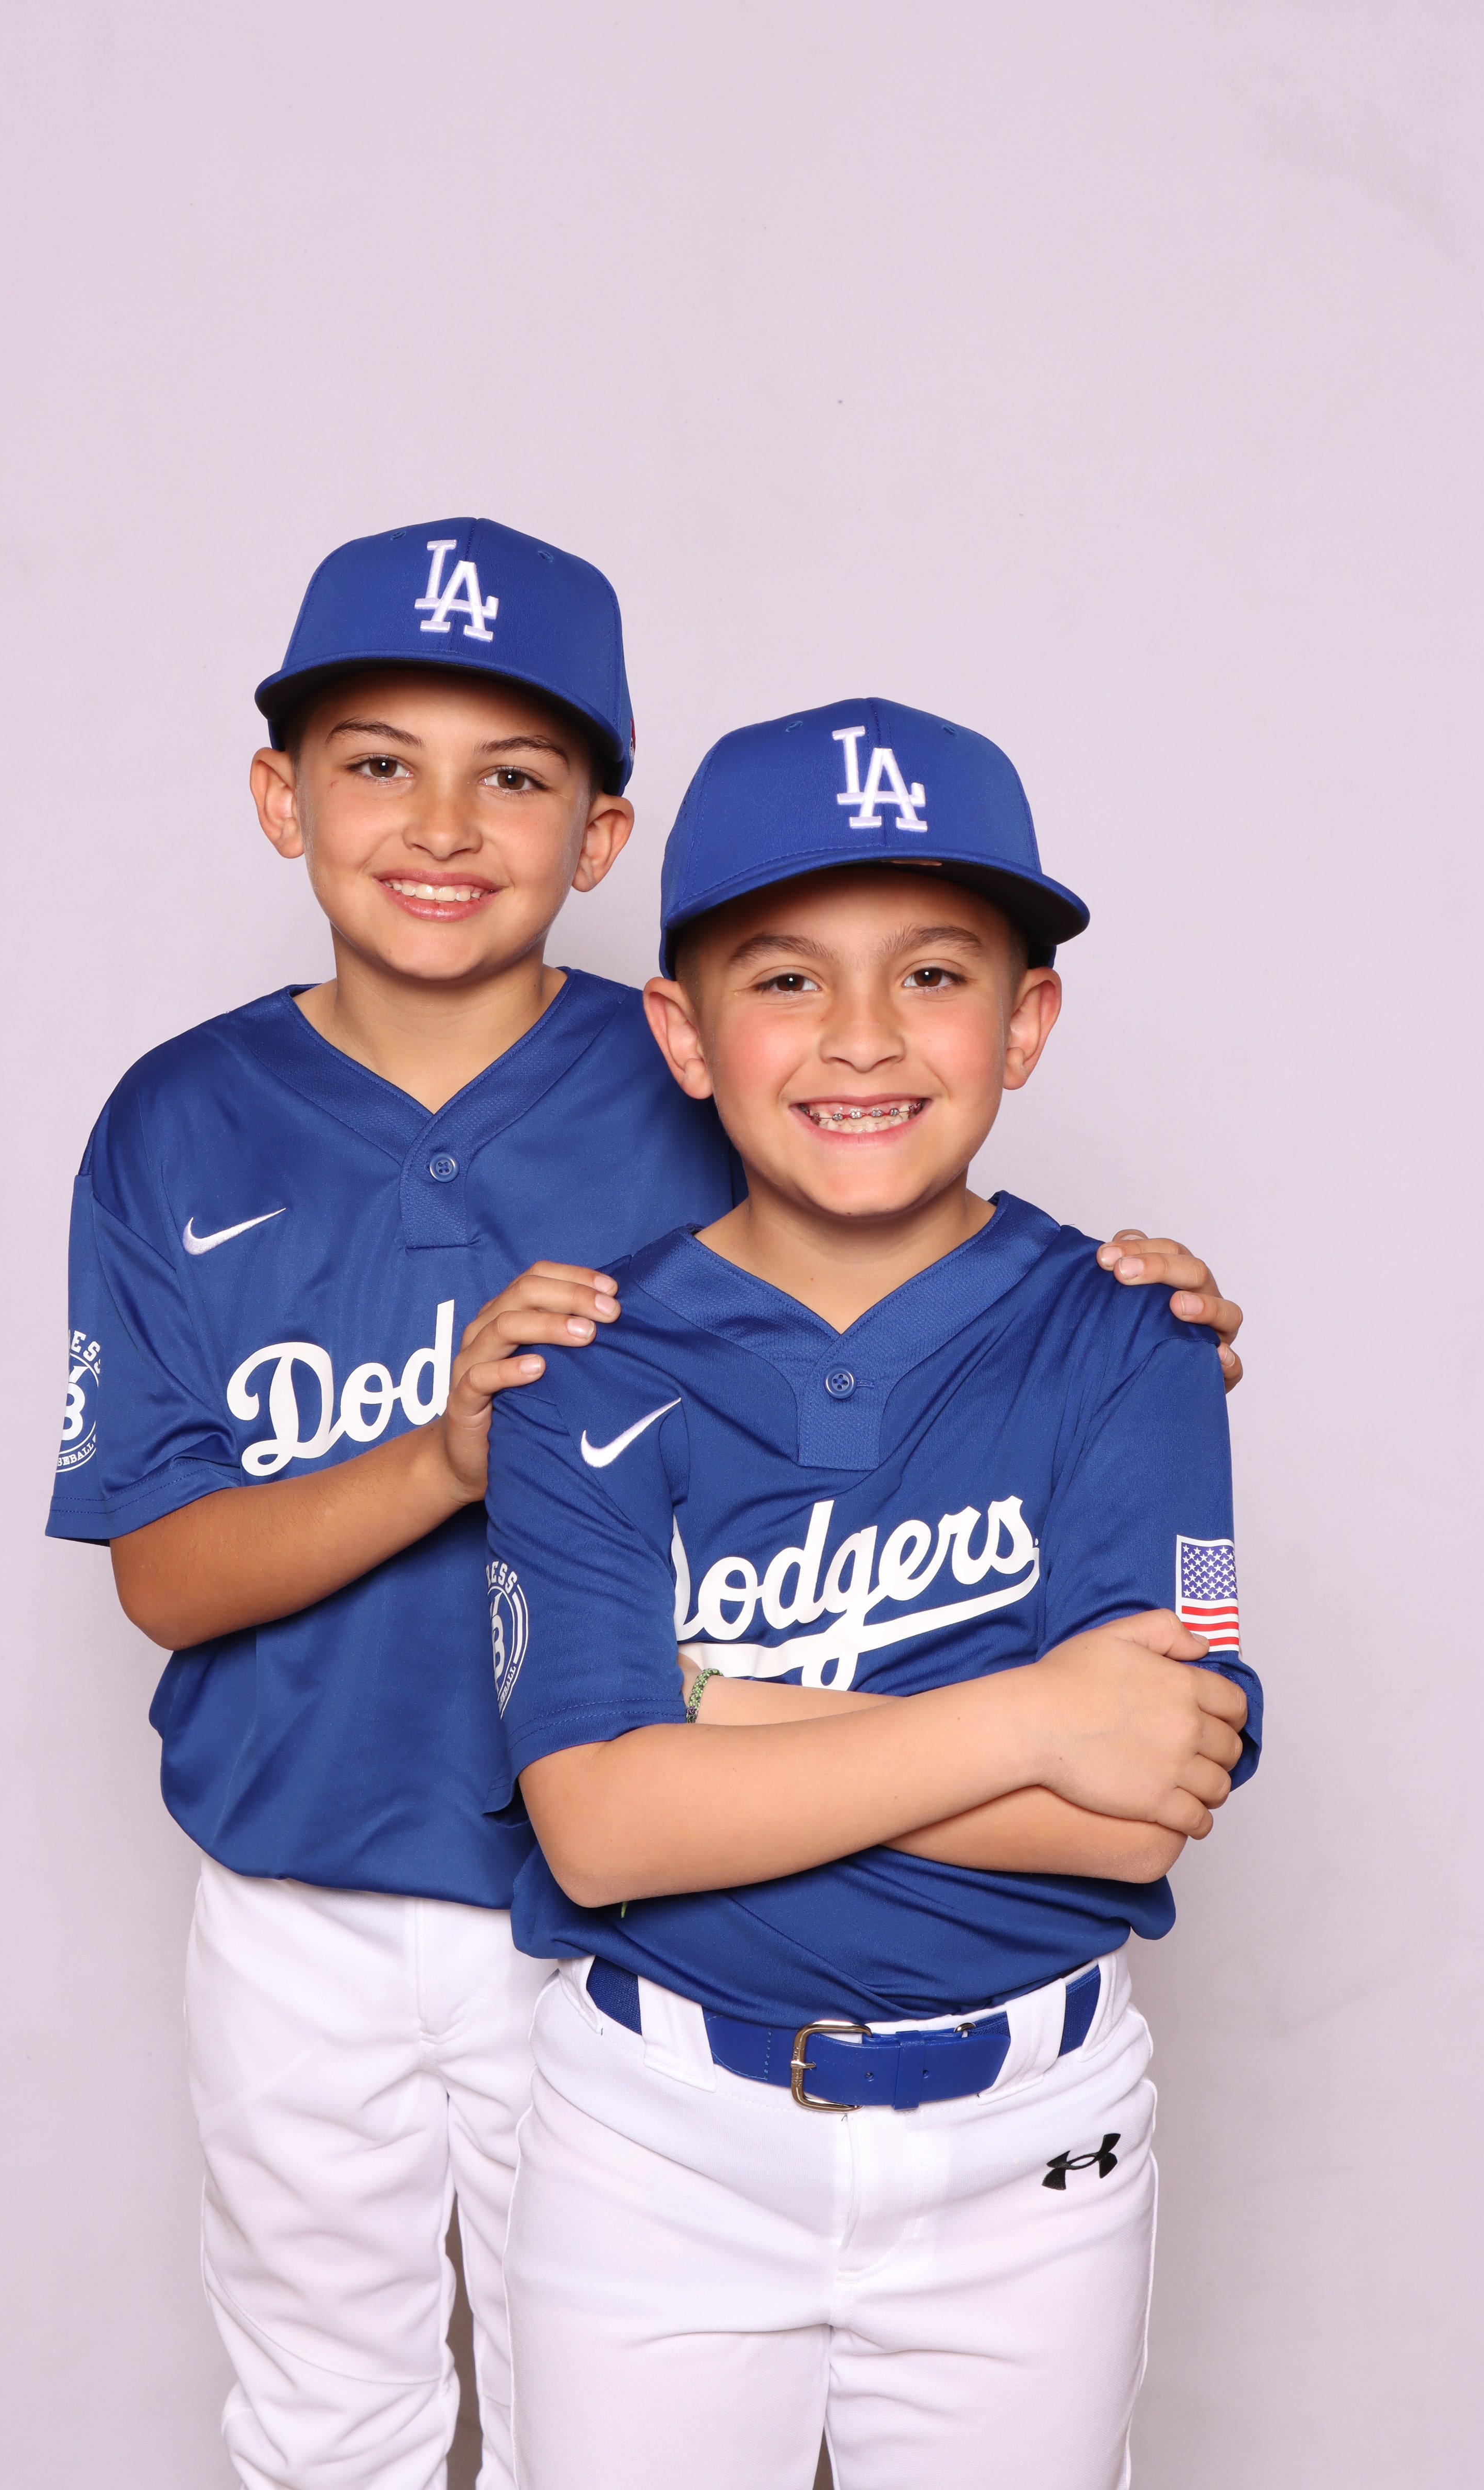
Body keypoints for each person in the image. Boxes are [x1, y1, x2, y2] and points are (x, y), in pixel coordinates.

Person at [47, 525, 1247, 2490]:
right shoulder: (183, 1119)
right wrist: (451, 1460)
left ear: (603, 832)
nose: (446, 825)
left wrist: (1127, 1325)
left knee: (567, 2433)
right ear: (280, 795)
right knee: (323, 2412)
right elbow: (170, 1576)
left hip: (608, 1931)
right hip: (318, 1872)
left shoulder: (700, 1078)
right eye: (379, 762)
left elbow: (895, 1220)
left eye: (515, 773)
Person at [484, 696, 1262, 2490]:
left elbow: (1167, 1779)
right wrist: (1035, 1717)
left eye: (932, 974)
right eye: (786, 980)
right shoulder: (576, 1366)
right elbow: (600, 1828)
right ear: (684, 1033)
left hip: (1038, 2153)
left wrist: (722, 1718)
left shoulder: (1145, 1342)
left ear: (1027, 1021)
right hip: (656, 2147)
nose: (861, 1037)